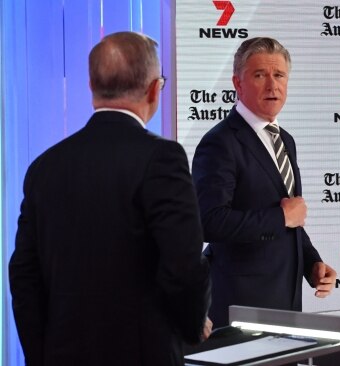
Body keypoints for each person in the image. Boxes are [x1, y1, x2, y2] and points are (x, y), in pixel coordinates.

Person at [9, 31, 211, 366]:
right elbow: (184, 263)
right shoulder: (162, 158)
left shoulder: (44, 167)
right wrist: (191, 326)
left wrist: (41, 356)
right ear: (153, 89)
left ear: (91, 86)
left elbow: (24, 275)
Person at [192, 37, 337, 327]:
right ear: (238, 83)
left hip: (286, 304)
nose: (273, 85)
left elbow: (291, 220)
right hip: (240, 309)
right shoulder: (220, 142)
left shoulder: (286, 140)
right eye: (260, 75)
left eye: (279, 75)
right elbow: (209, 221)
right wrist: (280, 216)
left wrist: (312, 264)